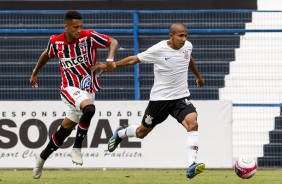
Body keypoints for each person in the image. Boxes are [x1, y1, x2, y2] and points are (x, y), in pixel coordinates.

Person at [93, 22, 205, 179]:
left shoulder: (188, 46)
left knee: (193, 123)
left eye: (186, 35)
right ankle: (122, 132)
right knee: (141, 133)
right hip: (159, 100)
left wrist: (198, 76)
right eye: (181, 35)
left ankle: (191, 164)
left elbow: (188, 59)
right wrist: (110, 65)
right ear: (171, 36)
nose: (184, 39)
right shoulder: (158, 49)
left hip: (180, 97)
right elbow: (134, 59)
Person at [29, 10, 118, 179]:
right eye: (75, 27)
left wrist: (109, 59)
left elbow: (113, 41)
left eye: (80, 26)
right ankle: (77, 147)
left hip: (88, 89)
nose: (79, 30)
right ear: (66, 26)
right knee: (90, 110)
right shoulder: (55, 41)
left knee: (65, 129)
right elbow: (46, 54)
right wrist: (35, 72)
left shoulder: (88, 37)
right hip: (69, 88)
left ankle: (41, 158)